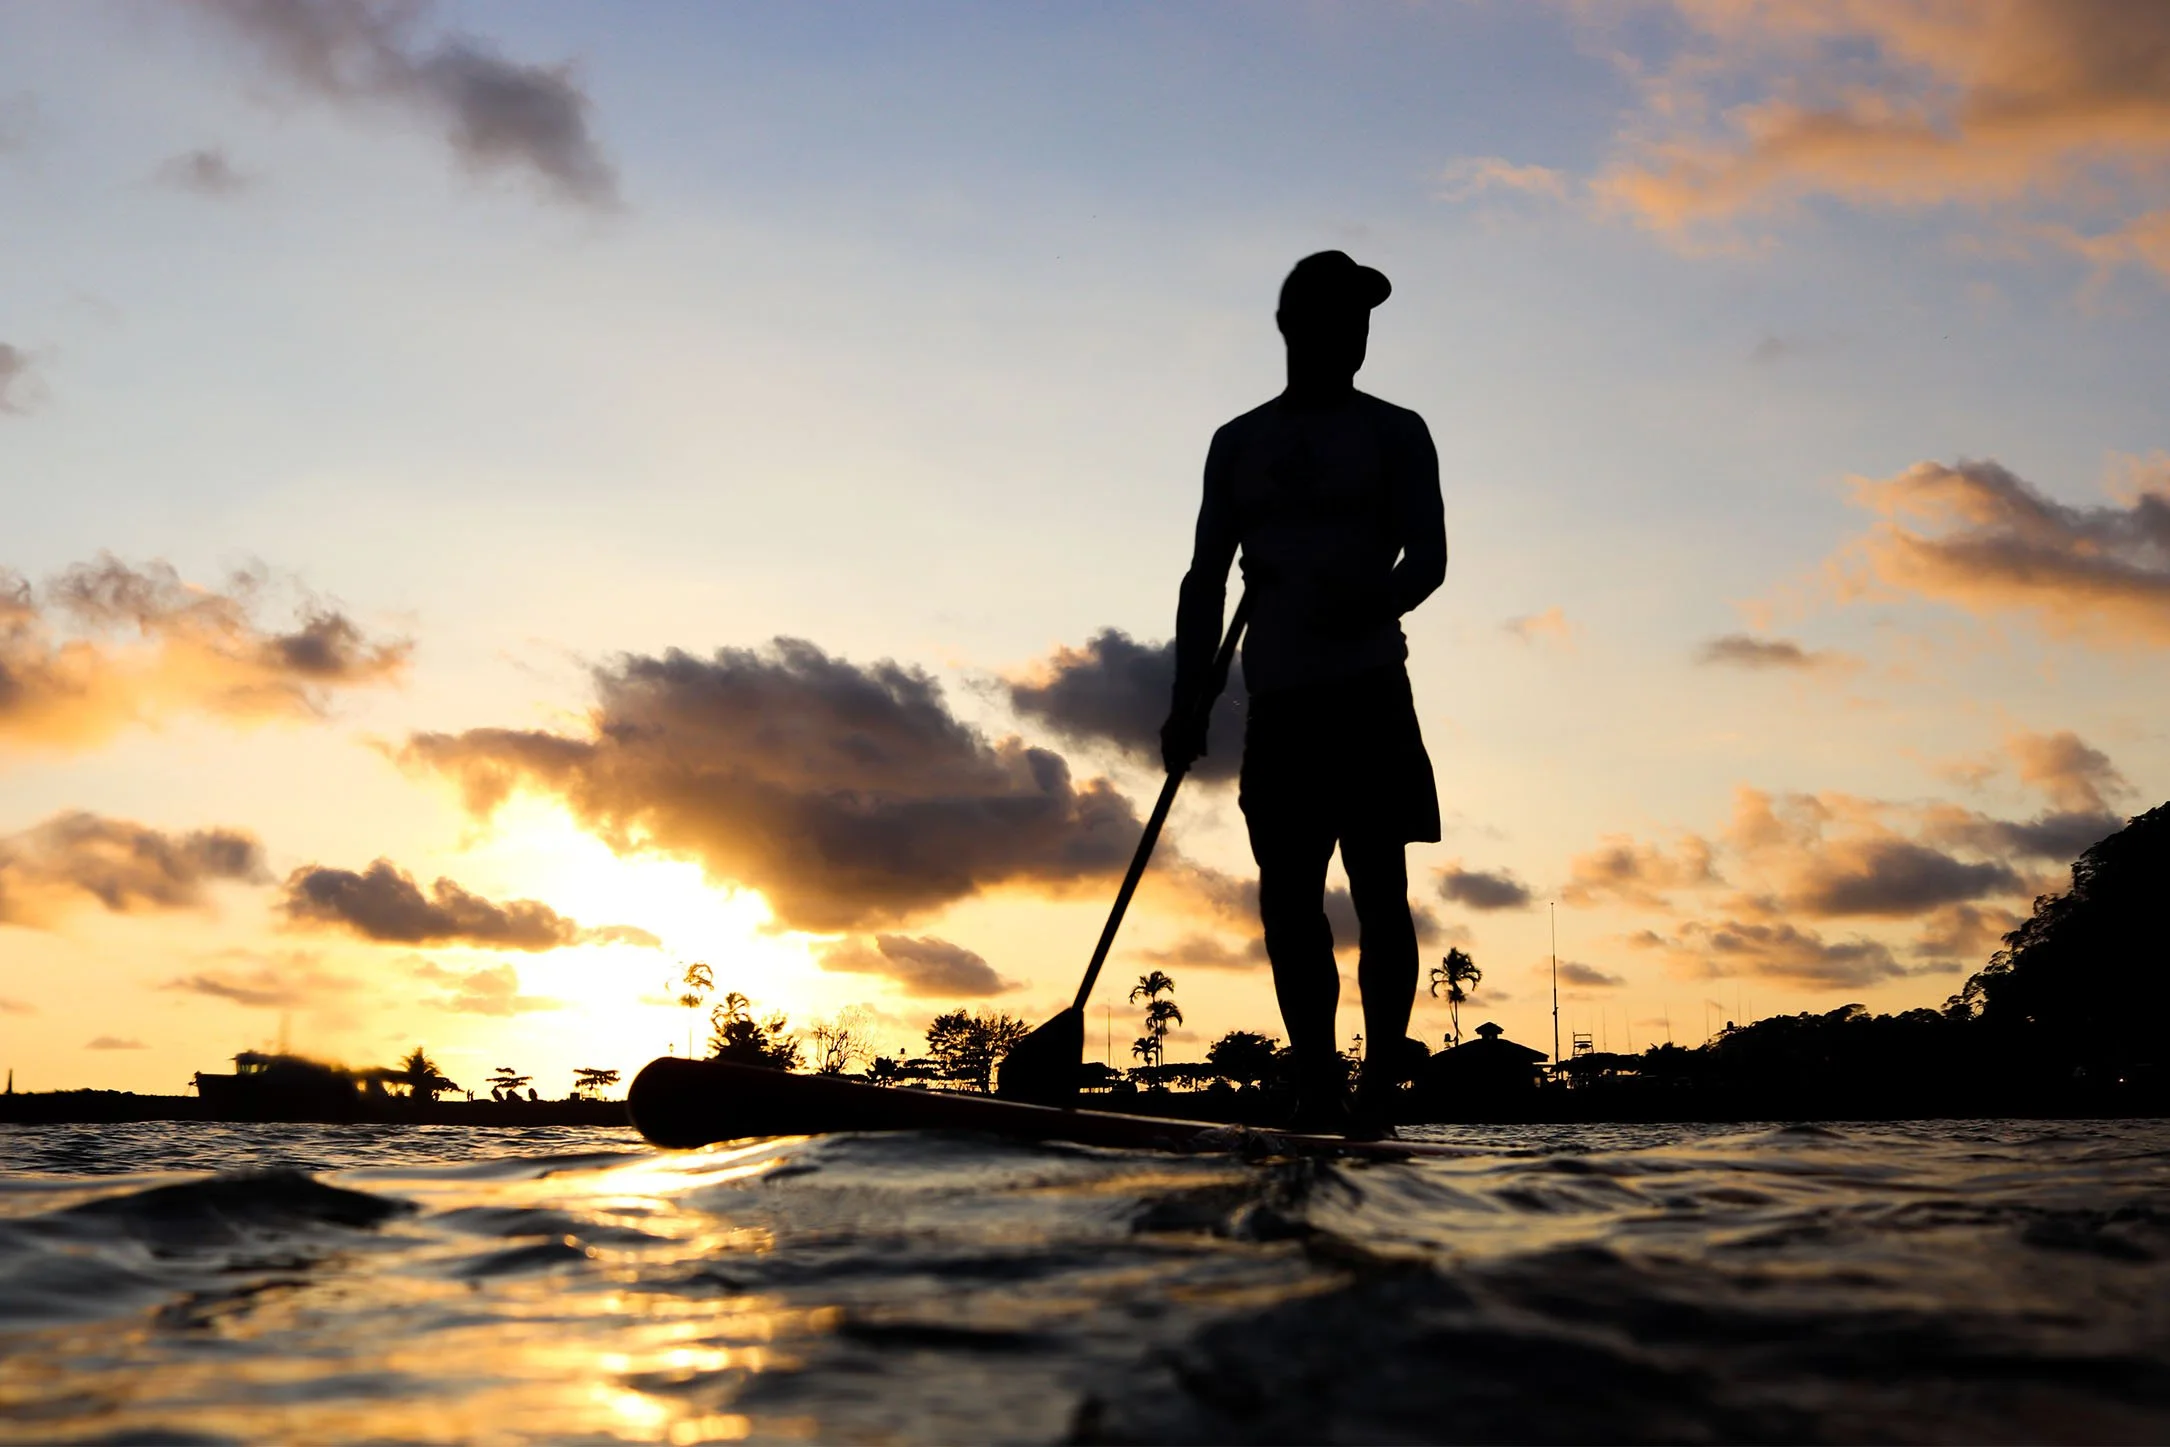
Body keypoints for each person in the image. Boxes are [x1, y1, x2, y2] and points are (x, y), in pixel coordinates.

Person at [1162, 250, 1446, 1135]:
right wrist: (1187, 698)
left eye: (1363, 320)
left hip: (1368, 690)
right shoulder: (1238, 442)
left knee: (1379, 890)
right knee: (1287, 899)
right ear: (1293, 327)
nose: (1354, 335)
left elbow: (1428, 558)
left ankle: (1377, 1093)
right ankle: (1317, 1083)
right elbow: (1205, 577)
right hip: (1279, 704)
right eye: (1337, 318)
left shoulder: (1397, 430)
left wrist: (1373, 597)